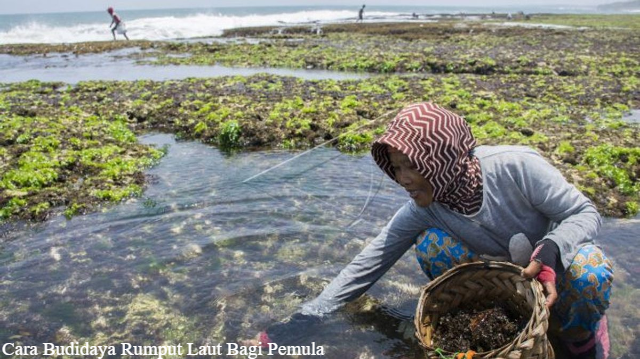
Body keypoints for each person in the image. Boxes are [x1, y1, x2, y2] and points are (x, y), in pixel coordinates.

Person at [252, 103, 613, 359]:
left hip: (552, 266)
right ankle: (503, 311)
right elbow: (367, 264)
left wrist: (551, 248)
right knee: (432, 245)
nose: (403, 179)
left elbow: (584, 212)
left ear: (441, 158)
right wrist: (301, 321)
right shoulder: (426, 208)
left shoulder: (516, 166)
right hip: (503, 275)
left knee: (590, 276)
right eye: (396, 167)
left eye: (412, 165)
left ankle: (581, 334)